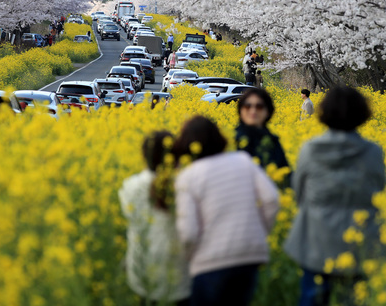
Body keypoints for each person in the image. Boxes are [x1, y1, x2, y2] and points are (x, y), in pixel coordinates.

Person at [284, 87, 386, 306]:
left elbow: (299, 194)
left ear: (324, 112)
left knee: (313, 299)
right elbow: (380, 193)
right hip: (359, 243)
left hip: (316, 242)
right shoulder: (373, 152)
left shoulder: (309, 149)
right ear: (362, 114)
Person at [174, 116, 279, 306]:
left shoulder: (187, 177)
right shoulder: (243, 160)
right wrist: (259, 233)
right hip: (249, 257)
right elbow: (271, 199)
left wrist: (190, 258)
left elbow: (188, 233)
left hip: (209, 262)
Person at [119, 131, 191, 305]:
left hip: (142, 272)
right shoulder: (185, 185)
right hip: (179, 273)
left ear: (144, 156)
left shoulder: (130, 186)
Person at [235, 89, 290, 186]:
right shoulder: (231, 140)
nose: (253, 111)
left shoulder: (273, 142)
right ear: (240, 110)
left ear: (268, 111)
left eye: (259, 106)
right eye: (247, 106)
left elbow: (286, 176)